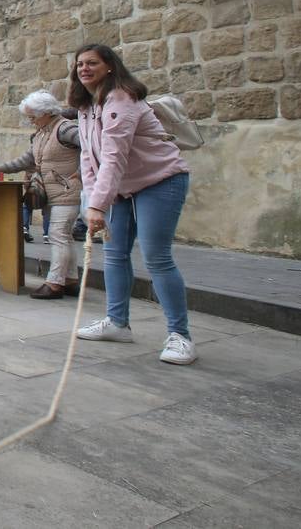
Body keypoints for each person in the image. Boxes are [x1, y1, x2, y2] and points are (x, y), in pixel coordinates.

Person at [70, 44, 196, 366]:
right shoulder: (85, 107)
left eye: (92, 63)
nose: (84, 69)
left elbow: (114, 156)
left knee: (157, 256)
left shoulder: (122, 98)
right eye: (80, 64)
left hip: (160, 180)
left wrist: (98, 205)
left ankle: (180, 336)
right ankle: (117, 323)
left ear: (110, 66)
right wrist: (90, 201)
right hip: (121, 189)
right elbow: (88, 157)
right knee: (114, 254)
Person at [0, 91, 82, 299]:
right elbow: (26, 160)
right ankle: (71, 281)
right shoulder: (42, 133)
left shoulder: (65, 128)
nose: (30, 121)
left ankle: (55, 283)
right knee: (64, 236)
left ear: (46, 112)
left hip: (67, 191)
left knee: (57, 235)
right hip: (54, 193)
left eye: (32, 116)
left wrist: (82, 174)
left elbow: (93, 148)